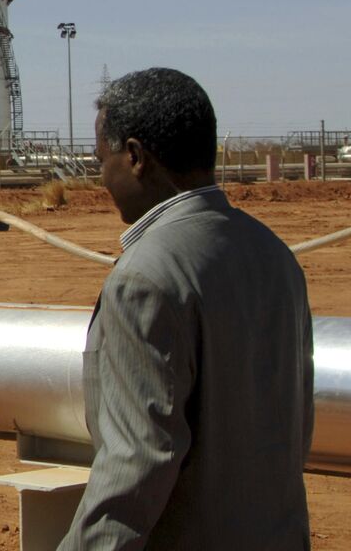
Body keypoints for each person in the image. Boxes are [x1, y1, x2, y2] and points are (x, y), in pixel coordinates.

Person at [60, 68, 312, 549]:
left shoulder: (146, 278)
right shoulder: (274, 255)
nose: (101, 177)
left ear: (135, 157)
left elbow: (135, 466)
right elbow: (293, 428)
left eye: (102, 159)